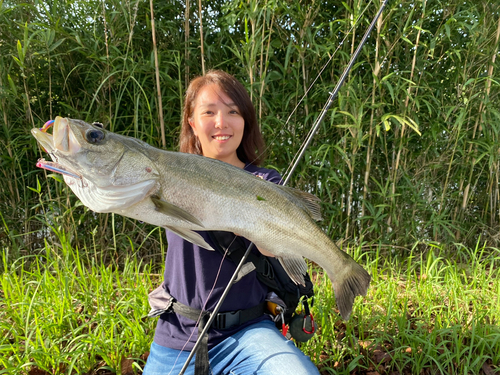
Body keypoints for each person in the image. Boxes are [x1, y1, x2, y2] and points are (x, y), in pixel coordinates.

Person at [143, 70, 320, 375]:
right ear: (192, 122)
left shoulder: (265, 181)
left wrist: (268, 235)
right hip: (177, 334)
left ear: (245, 120)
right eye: (209, 112)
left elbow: (275, 251)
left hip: (248, 332)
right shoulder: (166, 173)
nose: (221, 123)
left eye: (233, 112)